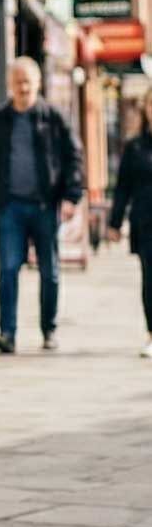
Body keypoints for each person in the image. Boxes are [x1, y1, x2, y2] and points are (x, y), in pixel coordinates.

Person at [0, 56, 84, 354]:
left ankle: (49, 329)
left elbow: (74, 156)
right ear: (9, 85)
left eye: (27, 82)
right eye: (17, 82)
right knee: (8, 269)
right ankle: (7, 332)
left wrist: (72, 196)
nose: (23, 88)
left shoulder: (53, 118)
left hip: (44, 206)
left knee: (50, 271)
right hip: (9, 207)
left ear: (37, 84)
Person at [107, 89, 152, 358]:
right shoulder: (134, 147)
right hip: (146, 223)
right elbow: (123, 188)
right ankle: (151, 333)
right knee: (150, 281)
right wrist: (114, 223)